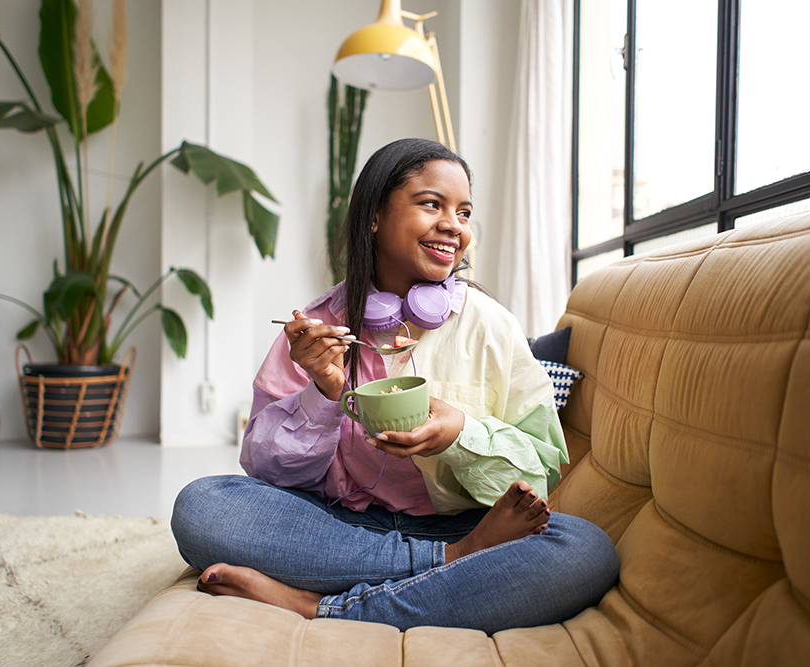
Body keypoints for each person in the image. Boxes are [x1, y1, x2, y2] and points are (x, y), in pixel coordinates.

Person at [171, 138, 618, 635]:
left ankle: (317, 606)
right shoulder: (318, 328)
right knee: (203, 507)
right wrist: (323, 394)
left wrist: (461, 434)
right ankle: (450, 561)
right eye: (432, 204)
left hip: (461, 520)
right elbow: (262, 466)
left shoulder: (491, 326)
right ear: (375, 216)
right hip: (336, 525)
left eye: (464, 212)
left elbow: (543, 468)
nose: (454, 225)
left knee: (586, 549)